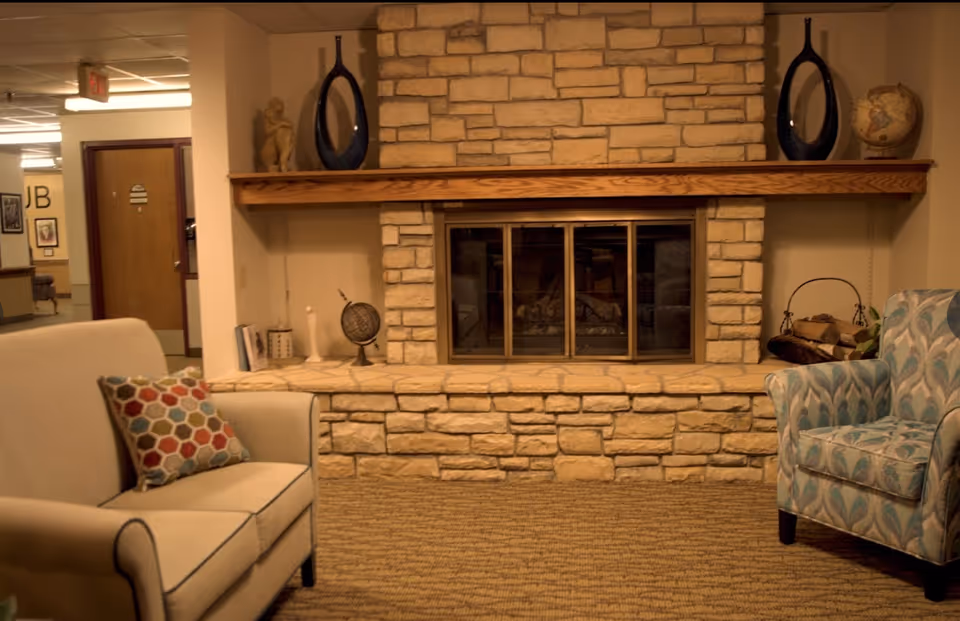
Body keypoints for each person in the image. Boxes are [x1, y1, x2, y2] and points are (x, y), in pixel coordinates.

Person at [261, 97, 294, 173]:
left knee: (288, 135)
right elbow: (267, 131)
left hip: (279, 151)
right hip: (271, 152)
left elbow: (290, 125)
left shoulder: (282, 120)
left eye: (280, 112)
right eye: (277, 112)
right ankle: (282, 162)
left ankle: (283, 161)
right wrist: (280, 125)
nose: (279, 114)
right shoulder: (269, 118)